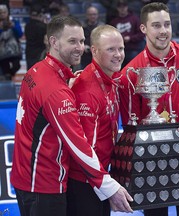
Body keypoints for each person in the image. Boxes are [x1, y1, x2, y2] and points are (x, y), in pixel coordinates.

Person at [10, 15, 133, 216]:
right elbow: (79, 144)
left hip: (27, 175)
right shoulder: (57, 92)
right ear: (53, 42)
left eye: (82, 41)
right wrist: (110, 186)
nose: (79, 47)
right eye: (72, 41)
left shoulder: (37, 70)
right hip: (44, 182)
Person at [118, 2, 179, 216]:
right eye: (156, 25)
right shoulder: (131, 72)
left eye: (167, 24)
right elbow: (130, 123)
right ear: (143, 29)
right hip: (150, 166)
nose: (163, 31)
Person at [67, 24, 125, 216]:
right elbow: (84, 149)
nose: (118, 54)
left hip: (100, 175)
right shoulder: (87, 91)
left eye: (121, 48)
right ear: (94, 51)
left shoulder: (113, 78)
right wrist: (107, 186)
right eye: (111, 49)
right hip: (84, 180)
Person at [109, 0, 145, 68]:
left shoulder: (134, 19)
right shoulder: (114, 22)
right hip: (118, 51)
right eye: (120, 7)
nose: (122, 9)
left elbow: (141, 34)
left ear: (127, 7)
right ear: (117, 8)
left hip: (133, 49)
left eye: (124, 6)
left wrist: (130, 38)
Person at [0, 4, 23, 80]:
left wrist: (13, 26)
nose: (2, 14)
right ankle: (8, 78)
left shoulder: (14, 22)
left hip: (14, 50)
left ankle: (9, 75)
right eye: (0, 13)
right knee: (5, 69)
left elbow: (20, 34)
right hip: (2, 52)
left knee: (17, 65)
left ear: (7, 13)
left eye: (4, 12)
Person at [25, 4, 47, 70]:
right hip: (40, 53)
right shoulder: (44, 26)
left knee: (31, 74)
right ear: (40, 15)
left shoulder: (27, 26)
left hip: (29, 53)